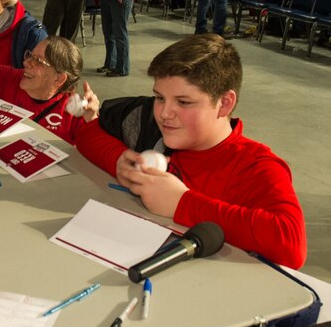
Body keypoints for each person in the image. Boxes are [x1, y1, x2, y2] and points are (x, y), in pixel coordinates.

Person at [76, 34, 307, 269]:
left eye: (184, 102)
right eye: (159, 97)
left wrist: (181, 203)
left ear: (225, 103)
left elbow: (291, 243)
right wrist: (118, 160)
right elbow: (87, 134)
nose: (165, 113)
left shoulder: (255, 165)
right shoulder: (154, 125)